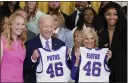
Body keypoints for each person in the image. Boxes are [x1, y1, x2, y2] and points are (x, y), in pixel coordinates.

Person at [23, 15, 68, 83]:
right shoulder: (29, 44)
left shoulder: (60, 44)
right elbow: (24, 70)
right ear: (39, 27)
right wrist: (33, 59)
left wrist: (67, 57)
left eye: (51, 26)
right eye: (46, 26)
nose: (49, 29)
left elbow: (66, 68)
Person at [99, 2, 127, 82]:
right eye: (108, 14)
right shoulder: (101, 35)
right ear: (104, 15)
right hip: (106, 75)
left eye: (115, 14)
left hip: (123, 74)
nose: (112, 17)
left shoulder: (125, 32)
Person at [1, 13, 27, 82]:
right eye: (17, 24)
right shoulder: (2, 40)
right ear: (10, 25)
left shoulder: (22, 43)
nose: (21, 27)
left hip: (19, 80)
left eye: (22, 24)